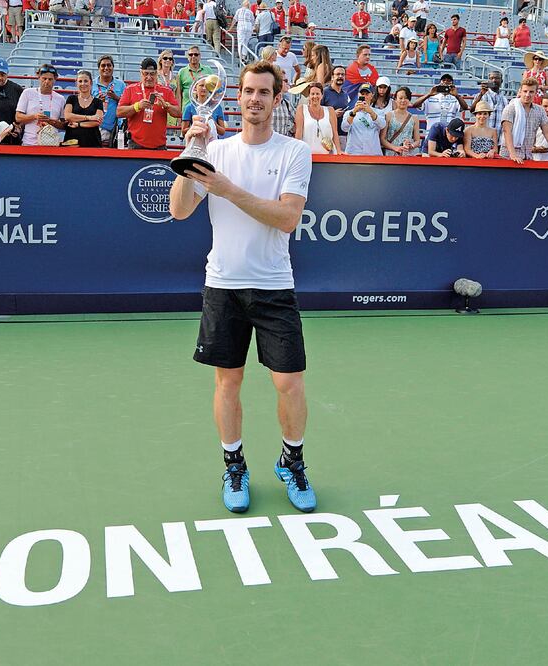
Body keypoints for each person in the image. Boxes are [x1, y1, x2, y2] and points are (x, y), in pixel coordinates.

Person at [168, 60, 317, 515]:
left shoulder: (294, 152)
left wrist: (228, 189)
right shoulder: (216, 151)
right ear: (238, 96)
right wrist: (192, 153)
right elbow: (178, 210)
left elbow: (288, 218)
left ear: (276, 99)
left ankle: (292, 461)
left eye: (264, 93)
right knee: (227, 381)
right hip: (224, 284)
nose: (255, 99)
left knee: (288, 382)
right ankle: (234, 465)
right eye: (248, 91)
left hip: (274, 285)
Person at [117, 57, 179, 149]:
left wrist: (166, 106)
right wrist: (137, 106)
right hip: (136, 144)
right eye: (146, 74)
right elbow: (119, 112)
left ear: (157, 74)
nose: (149, 77)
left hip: (159, 146)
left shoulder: (166, 91)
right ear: (141, 73)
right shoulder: (130, 89)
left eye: (152, 74)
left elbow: (178, 113)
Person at [500, 78, 548, 163]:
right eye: (525, 91)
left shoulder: (540, 110)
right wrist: (513, 155)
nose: (527, 94)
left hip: (528, 157)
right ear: (520, 91)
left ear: (536, 93)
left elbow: (547, 131)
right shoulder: (510, 108)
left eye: (531, 92)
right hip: (508, 157)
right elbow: (507, 131)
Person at [16, 63, 66, 146]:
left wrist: (50, 121)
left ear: (55, 79)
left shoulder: (60, 99)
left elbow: (64, 125)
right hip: (29, 143)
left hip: (51, 144)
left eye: (50, 79)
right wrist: (34, 117)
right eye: (44, 78)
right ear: (38, 77)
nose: (47, 82)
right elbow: (18, 117)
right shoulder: (27, 93)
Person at [294, 81, 340, 154]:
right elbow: (298, 133)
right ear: (309, 96)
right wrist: (296, 153)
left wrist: (339, 152)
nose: (315, 96)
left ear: (322, 95)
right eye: (312, 94)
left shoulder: (330, 110)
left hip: (327, 156)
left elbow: (335, 134)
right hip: (307, 156)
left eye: (317, 94)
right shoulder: (302, 109)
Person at [341, 82, 385, 155]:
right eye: (362, 94)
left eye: (367, 94)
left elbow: (382, 125)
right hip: (354, 152)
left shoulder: (379, 112)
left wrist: (371, 112)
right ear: (358, 95)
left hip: (373, 153)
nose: (364, 96)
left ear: (372, 95)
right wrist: (354, 112)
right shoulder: (349, 112)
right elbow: (344, 128)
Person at [63, 70, 104, 147]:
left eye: (86, 81)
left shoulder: (98, 102)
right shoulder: (71, 98)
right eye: (80, 81)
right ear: (76, 83)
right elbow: (68, 116)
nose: (83, 84)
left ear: (91, 83)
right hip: (72, 141)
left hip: (93, 141)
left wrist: (78, 124)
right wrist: (89, 117)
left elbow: (97, 122)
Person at [91, 55, 125, 146]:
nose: (106, 68)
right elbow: (84, 105)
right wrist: (96, 102)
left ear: (113, 67)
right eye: (103, 65)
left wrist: (116, 98)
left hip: (115, 129)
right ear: (98, 68)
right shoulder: (91, 84)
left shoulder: (121, 85)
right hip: (94, 127)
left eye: (109, 65)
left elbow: (128, 104)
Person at [182, 71, 227, 139]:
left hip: (212, 143)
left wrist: (212, 123)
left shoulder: (217, 107)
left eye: (206, 86)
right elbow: (183, 131)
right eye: (201, 85)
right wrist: (196, 128)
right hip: (195, 143)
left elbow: (222, 132)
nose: (204, 88)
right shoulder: (189, 107)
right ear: (195, 88)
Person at [175, 46, 213, 123]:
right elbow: (179, 95)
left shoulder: (208, 70)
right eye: (190, 54)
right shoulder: (182, 72)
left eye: (196, 54)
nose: (193, 56)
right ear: (187, 56)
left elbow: (213, 91)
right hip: (187, 111)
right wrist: (179, 115)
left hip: (204, 110)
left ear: (200, 56)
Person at [381, 86, 418, 156]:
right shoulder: (388, 115)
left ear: (409, 100)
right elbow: (382, 139)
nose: (403, 100)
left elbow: (417, 141)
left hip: (407, 154)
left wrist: (411, 145)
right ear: (395, 99)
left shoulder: (414, 118)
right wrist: (395, 148)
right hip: (390, 154)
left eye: (406, 98)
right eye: (400, 98)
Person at [322, 64, 350, 149]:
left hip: (342, 135)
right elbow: (317, 112)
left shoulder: (345, 94)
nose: (340, 76)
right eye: (337, 74)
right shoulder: (324, 92)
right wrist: (332, 114)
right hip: (327, 134)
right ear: (332, 77)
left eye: (342, 74)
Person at [472, 70, 506, 134]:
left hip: (498, 139)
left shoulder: (505, 100)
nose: (494, 80)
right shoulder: (481, 96)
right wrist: (481, 94)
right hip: (481, 137)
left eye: (497, 78)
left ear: (501, 81)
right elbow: (472, 110)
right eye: (491, 78)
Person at [271, 72, 296, 136]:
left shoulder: (287, 103)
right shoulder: (267, 102)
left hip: (283, 144)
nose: (288, 83)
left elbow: (297, 121)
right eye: (285, 81)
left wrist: (290, 130)